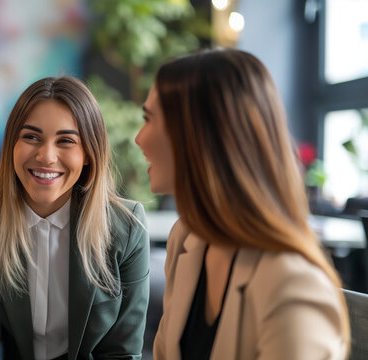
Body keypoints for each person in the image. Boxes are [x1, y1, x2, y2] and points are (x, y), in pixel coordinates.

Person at [135, 48, 350, 360]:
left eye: (149, 119)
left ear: (199, 135)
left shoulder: (294, 287)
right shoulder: (186, 238)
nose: (139, 138)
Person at [0, 76, 150, 360]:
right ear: (11, 145)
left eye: (66, 141)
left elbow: (122, 353)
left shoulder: (126, 227)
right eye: (31, 137)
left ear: (89, 153)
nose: (46, 156)